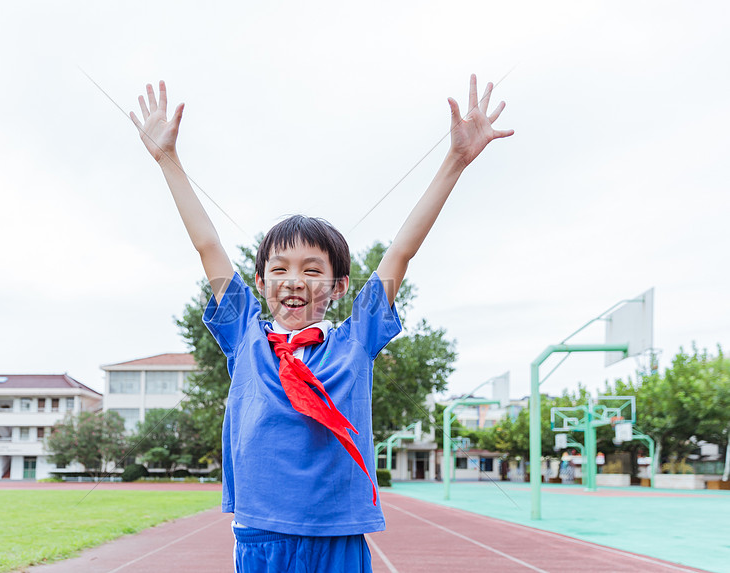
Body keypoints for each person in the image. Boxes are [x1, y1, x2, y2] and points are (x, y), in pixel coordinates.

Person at [130, 76, 513, 572]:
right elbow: (207, 245)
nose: (295, 281)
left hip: (337, 534)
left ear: (337, 288)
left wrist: (455, 161)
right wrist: (168, 161)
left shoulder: (356, 341)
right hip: (261, 533)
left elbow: (401, 250)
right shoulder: (244, 334)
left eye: (313, 270)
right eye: (280, 269)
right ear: (261, 281)